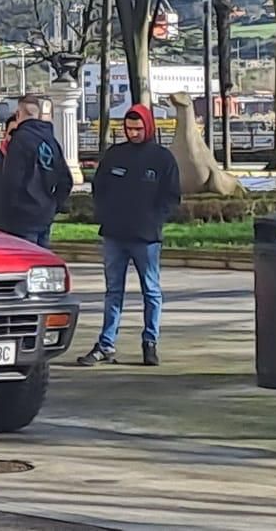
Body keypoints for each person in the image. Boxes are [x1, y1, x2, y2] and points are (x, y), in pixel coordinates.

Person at [77, 104, 180, 367]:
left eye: (138, 128)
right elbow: (99, 187)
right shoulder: (115, 155)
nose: (133, 133)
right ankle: (106, 344)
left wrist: (155, 219)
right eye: (129, 128)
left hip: (146, 236)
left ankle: (150, 341)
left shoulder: (162, 158)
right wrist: (105, 213)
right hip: (114, 234)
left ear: (148, 127)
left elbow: (171, 196)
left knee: (151, 290)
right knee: (113, 291)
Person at [0, 96, 70, 247]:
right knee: (43, 262)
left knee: (26, 261)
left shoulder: (19, 140)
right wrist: (53, 205)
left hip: (21, 217)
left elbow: (12, 180)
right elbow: (66, 180)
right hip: (44, 215)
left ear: (18, 114)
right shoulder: (51, 141)